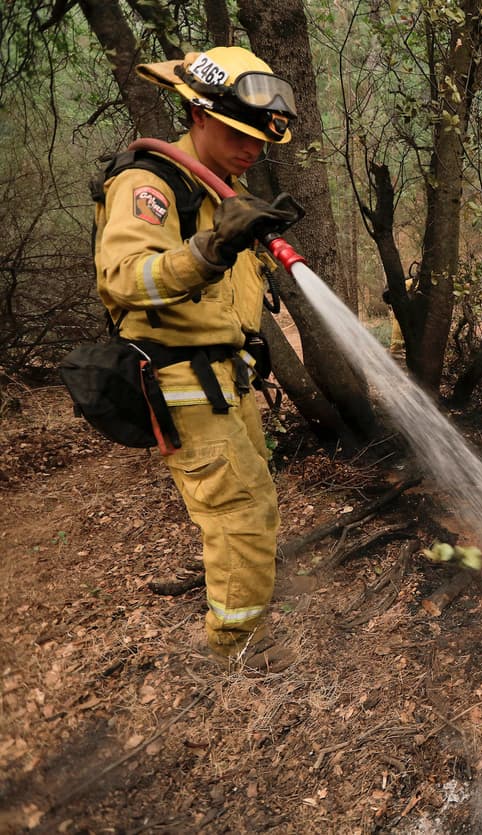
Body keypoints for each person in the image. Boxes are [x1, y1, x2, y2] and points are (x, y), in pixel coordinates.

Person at [96, 47, 301, 671]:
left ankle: (245, 620)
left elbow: (225, 295)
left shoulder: (221, 196)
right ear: (197, 113)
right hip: (182, 377)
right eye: (240, 134)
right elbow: (127, 279)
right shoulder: (149, 184)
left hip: (224, 376)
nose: (253, 150)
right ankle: (235, 651)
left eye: (261, 141)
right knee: (235, 512)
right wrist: (210, 249)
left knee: (256, 500)